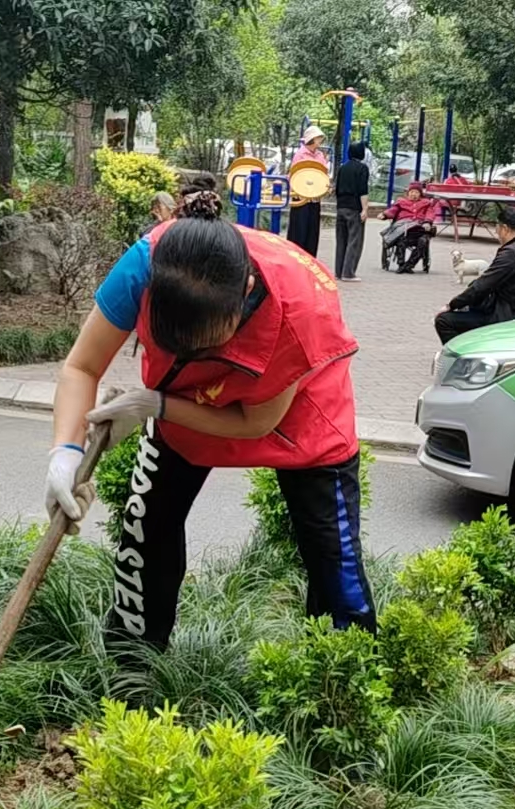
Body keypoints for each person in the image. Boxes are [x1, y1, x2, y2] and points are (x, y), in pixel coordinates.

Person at [46, 190, 374, 649]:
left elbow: (254, 423)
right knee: (147, 530)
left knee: (332, 555)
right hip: (174, 402)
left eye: (207, 344)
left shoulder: (301, 310)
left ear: (242, 295)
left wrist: (154, 405)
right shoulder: (144, 265)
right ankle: (132, 666)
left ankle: (342, 676)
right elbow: (82, 367)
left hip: (297, 411)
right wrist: (65, 451)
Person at [433, 205, 515, 343]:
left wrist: (452, 305)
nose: (497, 232)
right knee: (468, 306)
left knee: (444, 320)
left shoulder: (512, 252)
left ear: (505, 228)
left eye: (497, 228)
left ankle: (464, 360)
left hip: (507, 315)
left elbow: (482, 286)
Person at [287, 125, 329, 257]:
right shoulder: (300, 154)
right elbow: (294, 174)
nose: (320, 140)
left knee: (312, 231)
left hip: (315, 197)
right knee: (299, 230)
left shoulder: (320, 155)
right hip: (301, 197)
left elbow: (324, 173)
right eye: (318, 138)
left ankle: (311, 257)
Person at [379, 182, 439, 273]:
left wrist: (427, 222)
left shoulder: (426, 203)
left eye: (416, 192)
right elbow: (393, 210)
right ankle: (401, 264)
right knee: (400, 240)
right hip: (404, 229)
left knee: (423, 242)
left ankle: (409, 265)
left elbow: (430, 213)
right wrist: (384, 215)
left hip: (420, 230)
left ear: (420, 194)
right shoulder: (401, 202)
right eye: (411, 192)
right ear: (408, 193)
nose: (413, 194)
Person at [334, 142, 371, 280]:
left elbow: (337, 189)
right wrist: (364, 209)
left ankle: (338, 271)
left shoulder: (342, 168)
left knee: (341, 240)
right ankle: (348, 273)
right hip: (354, 208)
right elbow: (363, 190)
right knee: (354, 240)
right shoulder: (362, 168)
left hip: (341, 207)